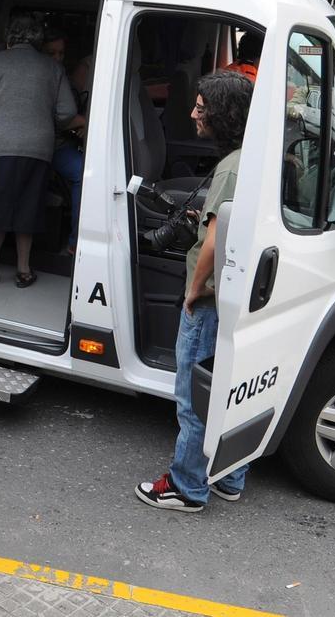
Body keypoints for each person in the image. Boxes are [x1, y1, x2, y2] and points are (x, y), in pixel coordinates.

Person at [136, 70, 254, 512]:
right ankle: (229, 476)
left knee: (193, 399)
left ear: (224, 115)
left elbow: (213, 242)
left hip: (208, 300)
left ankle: (186, 487)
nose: (192, 113)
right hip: (237, 295)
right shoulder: (254, 157)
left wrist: (193, 290)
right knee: (226, 391)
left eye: (201, 107)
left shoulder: (228, 170)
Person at [0, 13, 77, 287]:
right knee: (29, 204)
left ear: (10, 38)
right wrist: (47, 119)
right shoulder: (52, 68)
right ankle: (24, 268)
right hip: (38, 146)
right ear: (38, 40)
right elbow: (68, 111)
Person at [44, 30, 90, 254]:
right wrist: (80, 122)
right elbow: (58, 117)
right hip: (46, 146)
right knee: (83, 173)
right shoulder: (41, 77)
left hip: (63, 144)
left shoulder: (63, 77)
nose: (57, 58)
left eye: (61, 53)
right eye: (51, 53)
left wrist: (79, 126)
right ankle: (75, 242)